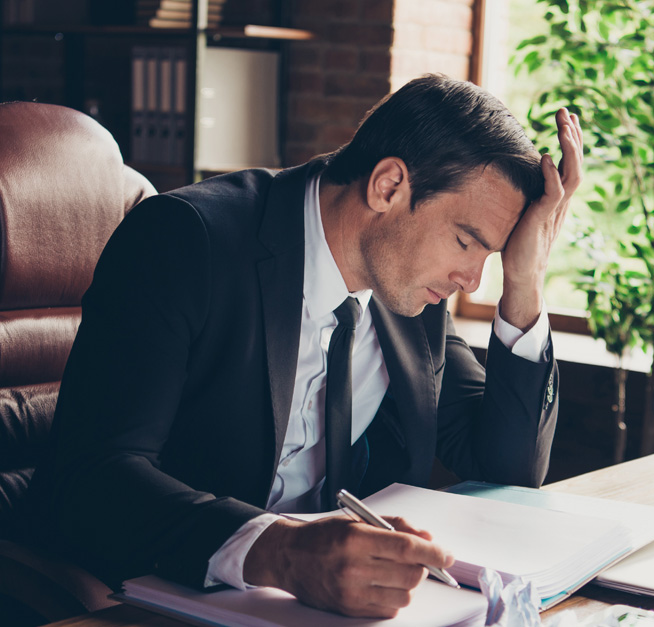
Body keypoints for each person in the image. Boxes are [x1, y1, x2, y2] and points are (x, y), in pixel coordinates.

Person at [34, 73, 583, 618]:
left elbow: (506, 469)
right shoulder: (184, 239)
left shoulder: (413, 291)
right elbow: (91, 479)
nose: (471, 280)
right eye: (466, 241)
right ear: (388, 186)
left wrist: (525, 279)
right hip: (155, 597)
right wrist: (282, 554)